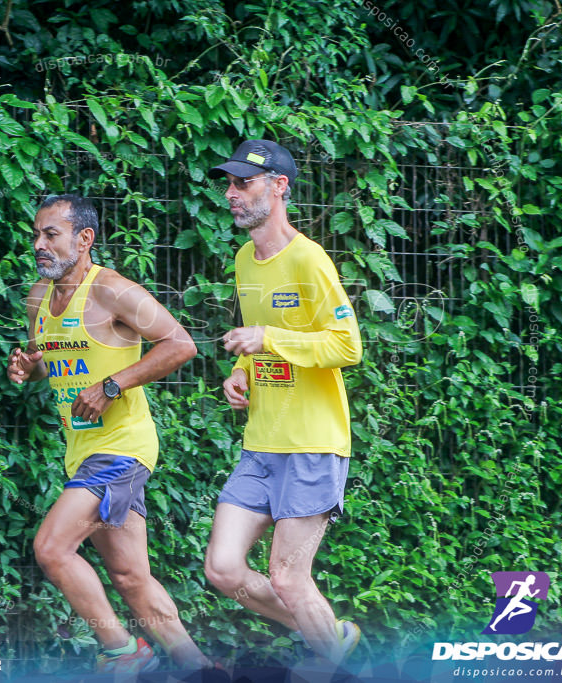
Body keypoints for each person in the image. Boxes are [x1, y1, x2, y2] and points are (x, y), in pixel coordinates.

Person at [7, 194, 213, 674]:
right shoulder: (39, 296)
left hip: (122, 449)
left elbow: (180, 344)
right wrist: (27, 368)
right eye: (36, 235)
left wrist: (113, 384)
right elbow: (48, 362)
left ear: (84, 239)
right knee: (130, 577)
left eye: (50, 234)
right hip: (82, 453)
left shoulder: (113, 291)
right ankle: (202, 669)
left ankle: (122, 651)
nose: (39, 244)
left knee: (52, 548)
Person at [202, 140, 364, 664]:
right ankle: (329, 638)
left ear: (279, 187)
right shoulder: (245, 259)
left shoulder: (309, 259)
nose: (231, 194)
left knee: (290, 577)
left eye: (242, 183)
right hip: (261, 443)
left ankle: (329, 662)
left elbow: (347, 346)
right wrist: (240, 371)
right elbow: (259, 339)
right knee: (223, 570)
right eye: (228, 184)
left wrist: (267, 338)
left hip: (313, 445)